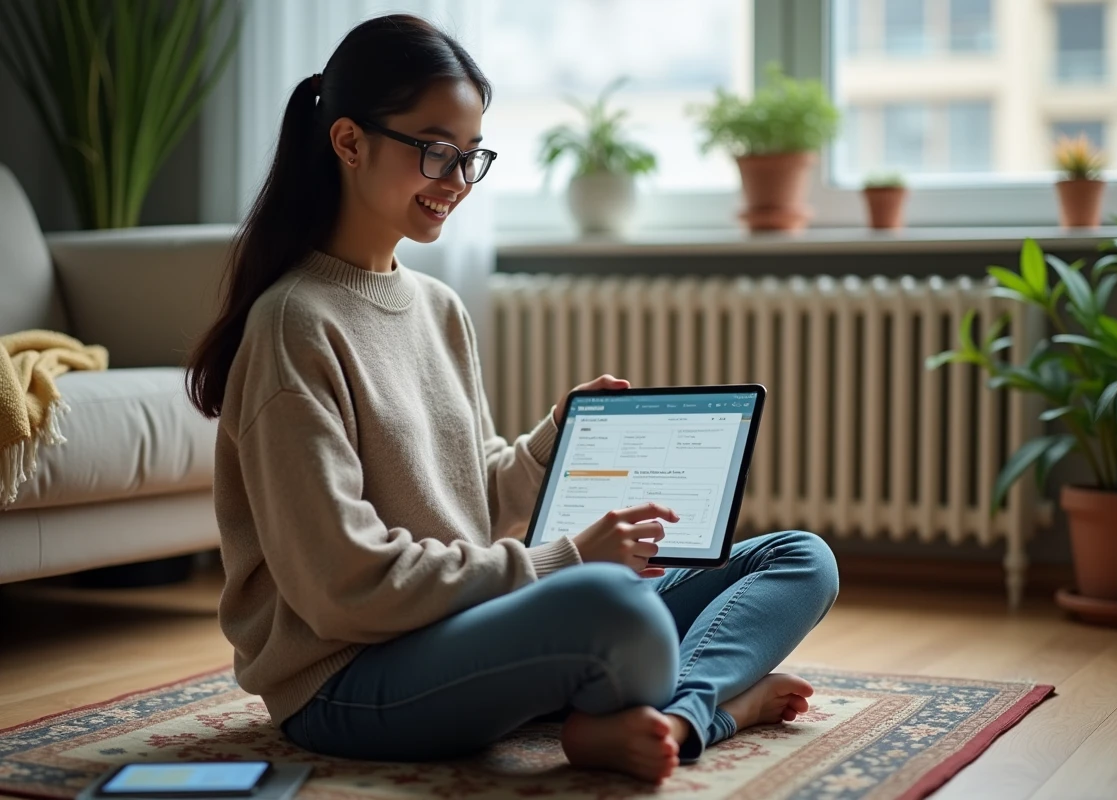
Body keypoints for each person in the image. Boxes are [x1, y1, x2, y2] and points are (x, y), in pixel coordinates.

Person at [186, 14, 839, 785]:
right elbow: (342, 589)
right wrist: (562, 562)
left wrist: (550, 444)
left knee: (801, 558)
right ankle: (702, 703)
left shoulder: (435, 306)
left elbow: (466, 497)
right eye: (435, 151)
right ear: (349, 142)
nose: (456, 182)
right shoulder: (294, 323)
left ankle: (678, 716)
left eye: (470, 158)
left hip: (456, 631)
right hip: (350, 681)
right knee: (614, 607)